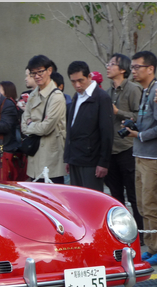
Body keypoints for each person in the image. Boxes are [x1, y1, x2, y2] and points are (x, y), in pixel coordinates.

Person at [123, 51, 157, 266]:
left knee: (152, 204)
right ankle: (153, 246)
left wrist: (139, 134)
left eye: (137, 67)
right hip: (141, 154)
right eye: (132, 67)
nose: (133, 70)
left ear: (150, 69)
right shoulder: (146, 90)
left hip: (154, 157)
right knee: (143, 205)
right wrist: (133, 124)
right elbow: (149, 120)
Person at [104, 53, 144, 240]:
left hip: (127, 149)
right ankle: (122, 235)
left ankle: (142, 235)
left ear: (122, 69)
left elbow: (140, 116)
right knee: (115, 197)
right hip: (110, 150)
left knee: (134, 196)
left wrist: (118, 112)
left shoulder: (133, 89)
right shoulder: (108, 91)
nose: (108, 66)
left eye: (112, 64)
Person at [64, 61, 113, 191]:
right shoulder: (76, 96)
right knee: (76, 201)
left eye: (80, 80)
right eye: (73, 81)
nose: (77, 85)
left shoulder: (102, 98)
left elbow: (107, 132)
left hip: (92, 161)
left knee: (91, 202)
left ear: (89, 77)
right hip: (75, 158)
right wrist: (68, 157)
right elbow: (71, 127)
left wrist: (103, 162)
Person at [21, 55, 67, 183]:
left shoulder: (56, 96)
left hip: (51, 159)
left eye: (40, 72)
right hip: (34, 156)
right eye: (33, 73)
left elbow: (46, 128)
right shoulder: (33, 94)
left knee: (53, 198)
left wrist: (31, 124)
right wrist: (32, 125)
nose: (36, 76)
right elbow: (23, 126)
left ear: (49, 71)